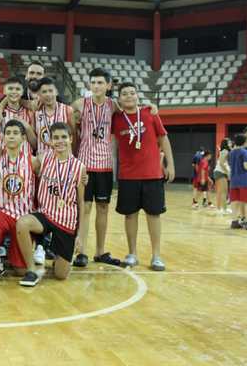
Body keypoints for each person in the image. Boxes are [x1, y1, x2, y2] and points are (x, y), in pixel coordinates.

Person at [111, 82, 174, 271]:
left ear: (138, 96)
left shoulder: (150, 113)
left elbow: (163, 139)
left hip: (152, 175)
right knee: (130, 216)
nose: (129, 96)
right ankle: (132, 253)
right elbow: (113, 145)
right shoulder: (116, 118)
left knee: (153, 215)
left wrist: (170, 164)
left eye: (132, 93)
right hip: (128, 176)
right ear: (119, 99)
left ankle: (156, 255)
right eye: (124, 94)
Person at [15, 123, 86, 286]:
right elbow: (18, 157)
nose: (60, 141)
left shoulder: (80, 167)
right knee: (22, 223)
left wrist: (80, 235)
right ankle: (31, 270)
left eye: (63, 137)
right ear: (50, 141)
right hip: (45, 215)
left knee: (60, 275)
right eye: (56, 138)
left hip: (66, 221)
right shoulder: (43, 158)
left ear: (71, 139)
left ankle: (54, 251)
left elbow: (81, 203)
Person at [70, 67, 121, 268]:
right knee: (85, 208)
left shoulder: (113, 105)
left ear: (108, 85)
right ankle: (81, 251)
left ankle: (100, 251)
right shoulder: (79, 104)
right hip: (84, 164)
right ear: (89, 85)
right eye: (94, 82)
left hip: (105, 166)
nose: (97, 86)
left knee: (103, 208)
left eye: (101, 82)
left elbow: (135, 108)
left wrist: (151, 106)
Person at [0, 120, 36, 282]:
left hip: (24, 217)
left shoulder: (33, 161)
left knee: (21, 271)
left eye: (15, 133)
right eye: (8, 133)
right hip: (4, 212)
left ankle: (17, 251)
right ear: (3, 136)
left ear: (23, 138)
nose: (11, 136)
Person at [0, 76, 36, 152]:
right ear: (4, 91)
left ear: (22, 91)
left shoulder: (30, 113)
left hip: (24, 158)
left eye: (17, 89)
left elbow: (34, 145)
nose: (14, 92)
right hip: (3, 157)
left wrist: (27, 126)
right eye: (10, 89)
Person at [34, 76, 75, 157]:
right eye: (44, 91)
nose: (48, 94)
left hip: (63, 159)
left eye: (50, 91)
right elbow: (34, 139)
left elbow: (73, 137)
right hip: (43, 160)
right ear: (39, 94)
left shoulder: (68, 110)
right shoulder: (35, 113)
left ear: (56, 91)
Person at [229, 134, 247, 229]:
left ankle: (234, 222)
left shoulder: (232, 152)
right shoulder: (244, 152)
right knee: (246, 202)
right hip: (244, 180)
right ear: (244, 142)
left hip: (233, 181)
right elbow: (246, 166)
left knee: (234, 201)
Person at [214, 138, 232, 215]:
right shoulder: (225, 151)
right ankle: (223, 209)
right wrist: (227, 172)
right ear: (226, 143)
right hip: (220, 172)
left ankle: (220, 208)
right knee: (224, 192)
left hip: (220, 172)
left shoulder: (224, 151)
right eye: (229, 142)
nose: (231, 142)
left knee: (221, 192)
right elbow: (221, 163)